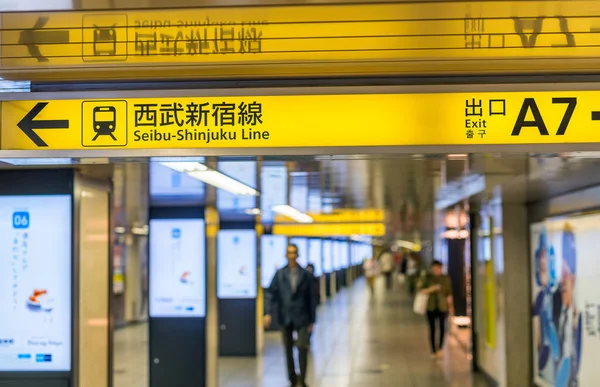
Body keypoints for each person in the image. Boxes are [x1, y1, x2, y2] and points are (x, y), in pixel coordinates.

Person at [264, 244, 318, 387]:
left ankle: (302, 378)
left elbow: (312, 297)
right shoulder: (280, 274)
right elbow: (270, 293)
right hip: (285, 316)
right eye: (289, 253)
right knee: (288, 349)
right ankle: (292, 378)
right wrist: (267, 312)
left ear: (297, 255)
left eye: (294, 252)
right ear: (286, 255)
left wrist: (313, 319)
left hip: (302, 316)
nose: (292, 255)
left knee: (302, 347)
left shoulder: (305, 275)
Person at [418, 260, 454, 358]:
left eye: (438, 268)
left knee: (443, 328)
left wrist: (451, 307)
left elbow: (449, 293)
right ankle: (433, 350)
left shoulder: (445, 278)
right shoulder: (427, 278)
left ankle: (440, 348)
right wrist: (432, 289)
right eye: (435, 268)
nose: (436, 270)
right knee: (432, 329)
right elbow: (421, 290)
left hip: (442, 307)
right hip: (430, 306)